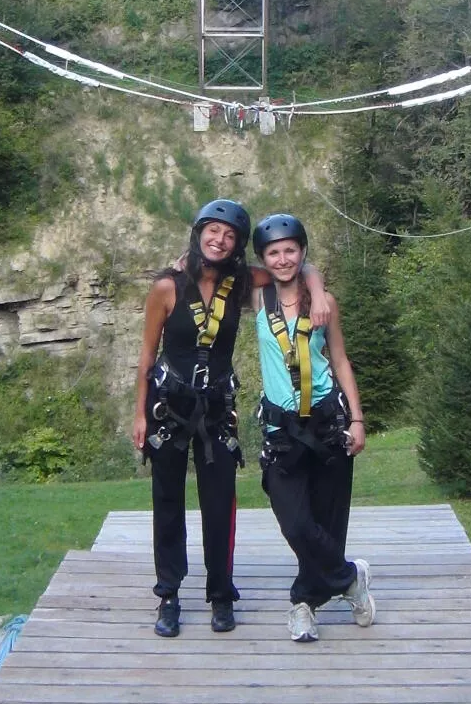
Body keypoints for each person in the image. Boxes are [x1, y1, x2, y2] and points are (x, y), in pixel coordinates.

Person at [133, 199, 329, 639]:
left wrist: (316, 292)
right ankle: (169, 594)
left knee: (220, 502)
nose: (219, 241)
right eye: (213, 232)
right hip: (168, 407)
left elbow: (295, 269)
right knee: (167, 502)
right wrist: (139, 414)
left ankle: (221, 592)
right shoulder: (167, 287)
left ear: (238, 246)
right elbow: (147, 354)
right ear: (199, 233)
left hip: (217, 410)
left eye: (229, 236)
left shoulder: (239, 284)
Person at [252, 212, 376, 643]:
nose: (283, 259)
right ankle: (350, 578)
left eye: (291, 250)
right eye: (273, 253)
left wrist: (357, 419)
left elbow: (339, 359)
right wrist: (184, 262)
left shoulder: (325, 304)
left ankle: (304, 604)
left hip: (326, 421)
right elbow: (218, 270)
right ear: (263, 259)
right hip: (282, 430)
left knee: (328, 521)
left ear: (302, 251)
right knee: (296, 523)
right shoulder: (258, 297)